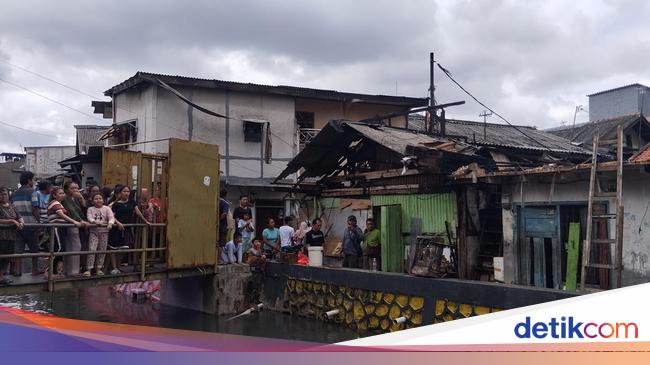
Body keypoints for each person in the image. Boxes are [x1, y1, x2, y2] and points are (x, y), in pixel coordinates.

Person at [108, 185, 151, 275]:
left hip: (127, 228)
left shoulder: (132, 202)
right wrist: (118, 223)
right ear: (120, 193)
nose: (126, 193)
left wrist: (146, 221)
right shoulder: (116, 204)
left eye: (128, 191)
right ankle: (114, 267)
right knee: (114, 247)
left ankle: (118, 266)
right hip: (116, 228)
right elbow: (112, 216)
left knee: (124, 248)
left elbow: (138, 212)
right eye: (124, 191)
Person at [47, 186, 84, 277]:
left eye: (63, 193)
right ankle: (49, 271)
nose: (62, 195)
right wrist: (74, 221)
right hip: (55, 228)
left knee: (61, 249)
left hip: (60, 228)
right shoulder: (55, 203)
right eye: (60, 193)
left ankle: (55, 272)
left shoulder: (59, 203)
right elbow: (61, 215)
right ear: (54, 195)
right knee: (58, 249)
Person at [11, 171, 40, 276]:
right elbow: (35, 208)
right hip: (31, 224)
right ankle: (34, 270)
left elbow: (12, 209)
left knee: (18, 250)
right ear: (29, 181)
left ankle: (18, 271)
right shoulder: (33, 192)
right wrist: (39, 222)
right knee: (34, 249)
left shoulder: (14, 193)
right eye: (32, 179)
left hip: (18, 225)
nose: (33, 182)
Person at [61, 181, 90, 276]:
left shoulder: (76, 199)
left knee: (76, 247)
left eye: (77, 188)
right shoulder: (65, 198)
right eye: (72, 188)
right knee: (74, 247)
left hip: (78, 224)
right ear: (66, 189)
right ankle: (73, 271)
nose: (75, 190)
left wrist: (82, 200)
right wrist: (80, 221)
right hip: (71, 225)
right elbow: (71, 211)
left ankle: (72, 270)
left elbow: (83, 211)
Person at [85, 193, 115, 277]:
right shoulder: (90, 209)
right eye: (96, 198)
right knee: (92, 249)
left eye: (100, 198)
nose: (98, 200)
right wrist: (93, 221)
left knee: (102, 249)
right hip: (94, 232)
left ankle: (99, 268)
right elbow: (89, 217)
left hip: (104, 232)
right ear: (92, 201)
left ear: (103, 200)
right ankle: (89, 269)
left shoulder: (107, 208)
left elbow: (111, 217)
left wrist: (110, 224)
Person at [0, 187, 24, 285]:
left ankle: (1, 276)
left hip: (11, 236)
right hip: (1, 236)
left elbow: (19, 216)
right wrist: (11, 221)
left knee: (7, 256)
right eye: (1, 194)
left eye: (5, 194)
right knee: (1, 255)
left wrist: (21, 222)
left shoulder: (12, 206)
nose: (3, 196)